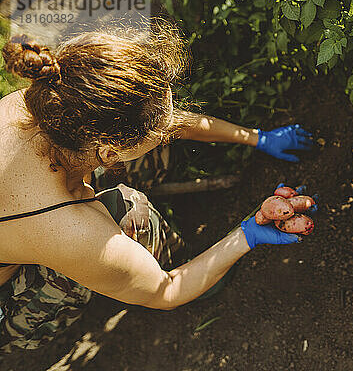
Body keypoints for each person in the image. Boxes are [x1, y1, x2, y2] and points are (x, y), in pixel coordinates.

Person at [0, 22, 312, 354]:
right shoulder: (69, 230)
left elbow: (160, 121)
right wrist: (248, 233)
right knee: (132, 211)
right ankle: (181, 266)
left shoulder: (52, 98)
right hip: (10, 298)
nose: (170, 126)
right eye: (161, 128)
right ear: (108, 151)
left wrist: (256, 137)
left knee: (145, 151)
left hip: (26, 222)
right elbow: (166, 292)